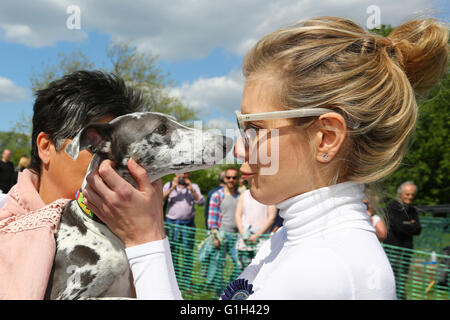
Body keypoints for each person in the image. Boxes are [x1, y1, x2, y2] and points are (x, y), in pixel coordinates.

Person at [83, 17, 448, 300]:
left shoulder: (328, 266)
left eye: (255, 129)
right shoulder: (293, 240)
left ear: (325, 138)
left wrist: (146, 239)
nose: (239, 148)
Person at [0, 70, 143, 299]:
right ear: (46, 147)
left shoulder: (137, 241)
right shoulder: (6, 230)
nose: (113, 161)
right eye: (94, 143)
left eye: (121, 146)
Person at [162, 172, 204, 293]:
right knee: (172, 252)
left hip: (188, 224)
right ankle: (173, 281)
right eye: (181, 173)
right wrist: (172, 188)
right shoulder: (169, 184)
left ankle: (186, 283)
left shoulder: (193, 186)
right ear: (176, 173)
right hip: (172, 224)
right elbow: (160, 199)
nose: (183, 175)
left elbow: (201, 202)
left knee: (187, 253)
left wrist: (191, 189)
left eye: (186, 173)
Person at [384, 181, 422, 299]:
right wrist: (411, 224)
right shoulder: (391, 207)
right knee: (392, 279)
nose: (410, 197)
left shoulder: (412, 210)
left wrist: (407, 225)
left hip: (406, 250)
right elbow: (397, 228)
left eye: (412, 195)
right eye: (407, 194)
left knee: (402, 278)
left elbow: (418, 229)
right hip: (393, 249)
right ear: (400, 194)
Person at [206, 167, 241, 294]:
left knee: (239, 264)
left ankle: (230, 289)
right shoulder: (217, 195)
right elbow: (212, 219)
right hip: (221, 235)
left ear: (237, 179)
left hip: (236, 237)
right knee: (218, 265)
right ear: (224, 178)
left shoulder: (240, 196)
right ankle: (220, 293)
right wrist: (215, 237)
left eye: (234, 177)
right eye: (229, 177)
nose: (231, 180)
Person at [235, 189, 277, 268]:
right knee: (243, 269)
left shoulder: (270, 194)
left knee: (260, 268)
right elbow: (238, 215)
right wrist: (242, 233)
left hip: (262, 240)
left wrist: (257, 235)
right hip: (244, 239)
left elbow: (271, 217)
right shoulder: (244, 194)